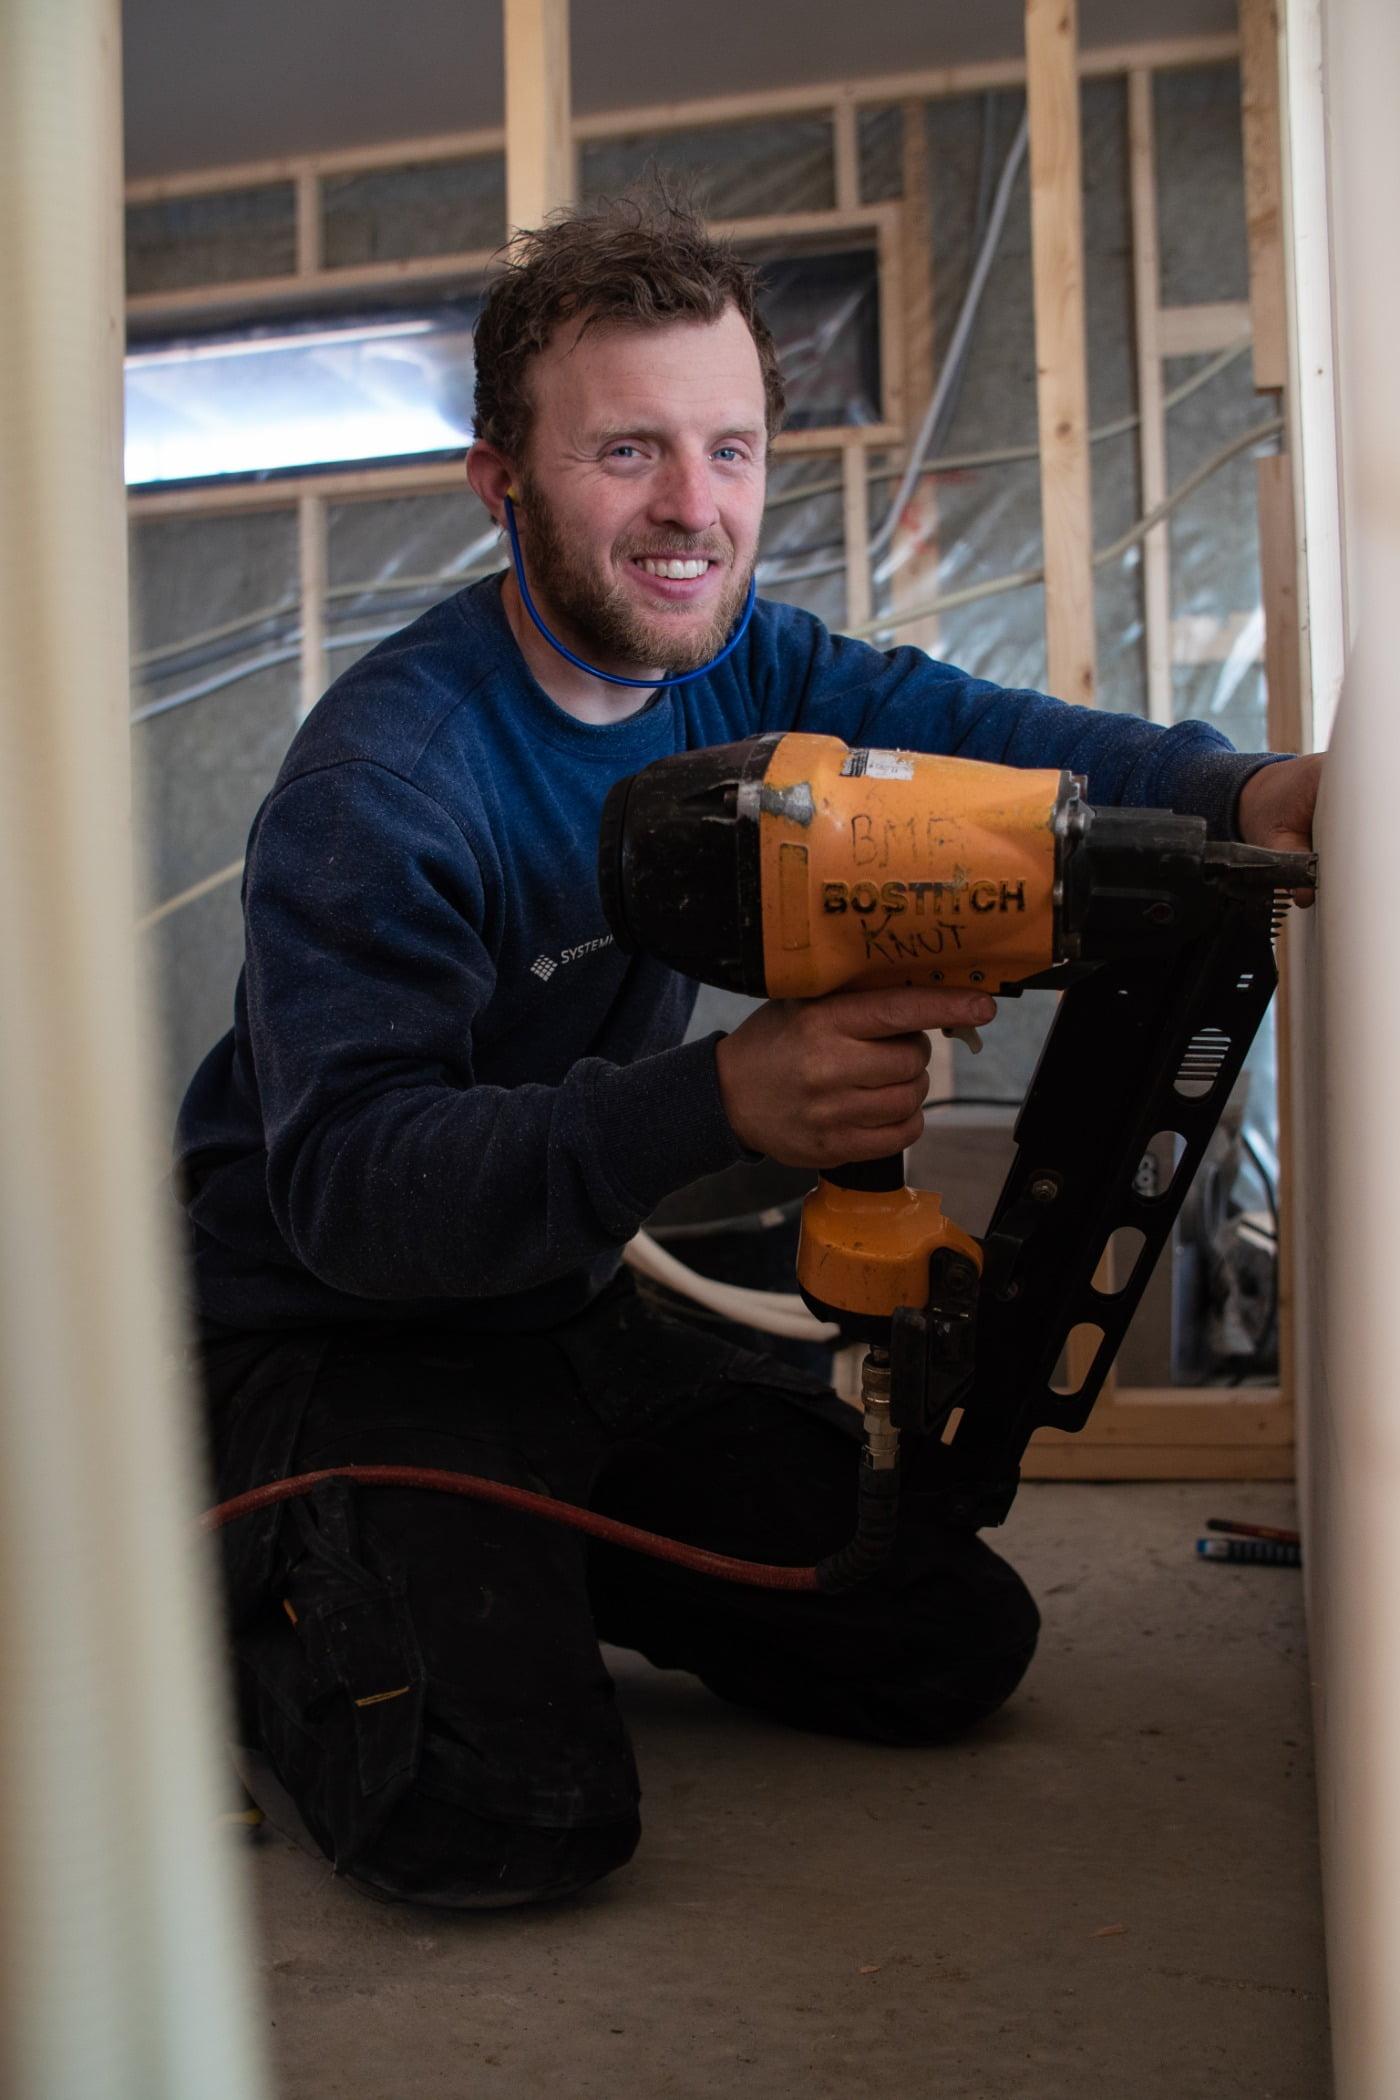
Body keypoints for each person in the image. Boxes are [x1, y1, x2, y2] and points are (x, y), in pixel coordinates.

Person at [177, 192, 1322, 1910]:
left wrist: (1245, 794)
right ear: (500, 480)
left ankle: (520, 1554)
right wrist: (718, 1100)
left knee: (942, 1646)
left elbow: (976, 731)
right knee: (508, 1817)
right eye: (625, 450)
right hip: (340, 1334)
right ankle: (263, 1587)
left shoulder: (736, 667)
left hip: (555, 1303)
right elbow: (350, 1190)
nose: (692, 510)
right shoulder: (387, 788)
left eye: (730, 448)